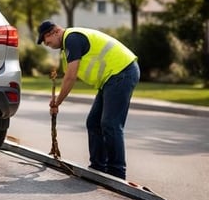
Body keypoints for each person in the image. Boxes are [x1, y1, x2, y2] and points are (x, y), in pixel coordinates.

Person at [36, 20, 140, 180]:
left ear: (54, 32)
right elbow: (69, 75)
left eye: (46, 40)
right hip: (111, 78)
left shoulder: (72, 39)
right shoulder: (69, 43)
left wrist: (57, 102)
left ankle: (117, 173)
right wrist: (57, 99)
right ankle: (98, 167)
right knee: (93, 123)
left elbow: (71, 77)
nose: (46, 44)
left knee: (111, 124)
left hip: (122, 72)